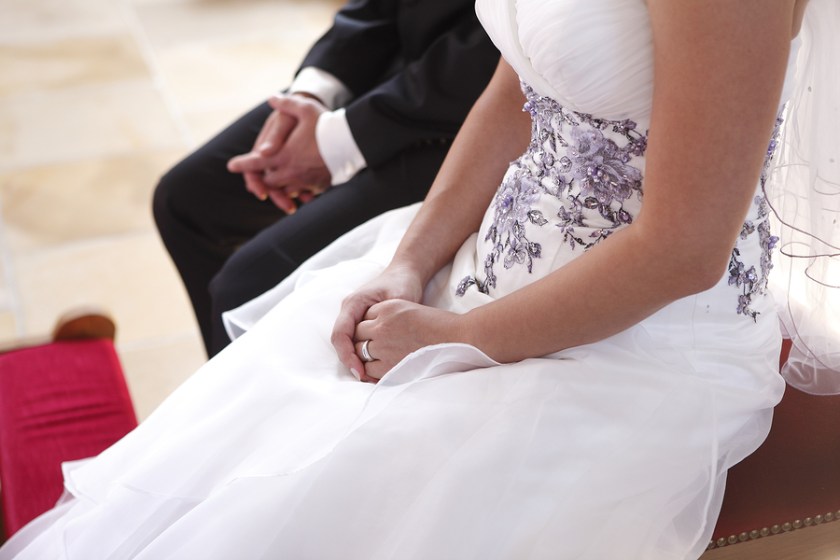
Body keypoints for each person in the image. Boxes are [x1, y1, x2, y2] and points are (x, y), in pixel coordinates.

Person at [2, 0, 837, 558]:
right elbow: (516, 88)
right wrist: (411, 260)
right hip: (481, 267)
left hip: (637, 338)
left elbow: (683, 249)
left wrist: (454, 339)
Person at [152, 0, 499, 357]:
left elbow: (487, 61)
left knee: (244, 286)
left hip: (462, 134)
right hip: (389, 68)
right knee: (184, 200)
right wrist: (310, 95)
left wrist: (335, 143)